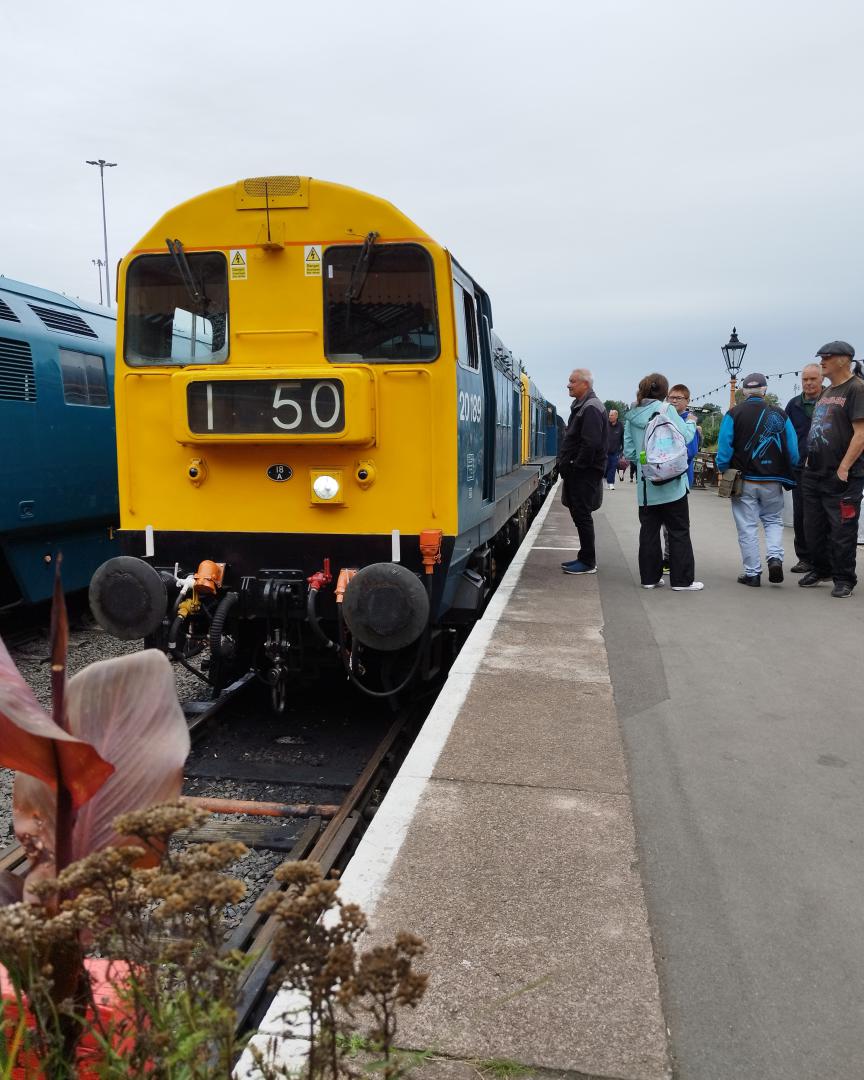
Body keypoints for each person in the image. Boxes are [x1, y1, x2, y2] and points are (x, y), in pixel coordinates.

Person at [715, 372, 799, 587]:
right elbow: (793, 450)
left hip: (744, 479)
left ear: (744, 391)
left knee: (747, 526)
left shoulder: (733, 414)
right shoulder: (780, 414)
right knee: (773, 520)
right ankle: (775, 557)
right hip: (773, 479)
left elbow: (724, 448)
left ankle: (752, 573)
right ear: (765, 391)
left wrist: (723, 468)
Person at [623, 373, 703, 591]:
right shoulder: (666, 409)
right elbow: (685, 436)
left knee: (648, 532)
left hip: (646, 486)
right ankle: (681, 581)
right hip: (672, 483)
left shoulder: (631, 414)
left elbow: (629, 451)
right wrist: (691, 422)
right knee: (679, 531)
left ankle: (649, 579)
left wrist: (645, 461)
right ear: (663, 392)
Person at [799, 341, 864, 598]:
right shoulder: (826, 393)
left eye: (827, 357)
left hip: (842, 474)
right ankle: (821, 568)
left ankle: (844, 578)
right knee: (812, 527)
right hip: (814, 471)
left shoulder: (856, 389)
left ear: (844, 360)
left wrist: (844, 468)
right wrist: (807, 463)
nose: (822, 360)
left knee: (842, 529)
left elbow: (860, 434)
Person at [557, 369, 609, 575]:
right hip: (582, 471)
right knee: (579, 514)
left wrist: (576, 467)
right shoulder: (585, 406)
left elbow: (591, 443)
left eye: (572, 381)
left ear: (585, 384)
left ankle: (588, 562)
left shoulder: (590, 408)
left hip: (584, 472)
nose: (568, 385)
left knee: (582, 514)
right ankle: (584, 557)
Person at [784, 363, 825, 573]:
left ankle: (824, 560)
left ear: (822, 379)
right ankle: (805, 558)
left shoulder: (830, 401)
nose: (808, 383)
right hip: (800, 468)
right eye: (805, 379)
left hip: (827, 468)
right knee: (801, 515)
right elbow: (784, 434)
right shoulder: (793, 405)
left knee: (823, 515)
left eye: (813, 379)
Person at [662, 384, 700, 571]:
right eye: (671, 397)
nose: (674, 400)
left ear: (687, 401)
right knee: (665, 523)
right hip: (664, 476)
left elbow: (691, 451)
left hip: (681, 478)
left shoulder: (688, 422)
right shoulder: (664, 418)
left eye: (679, 398)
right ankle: (668, 557)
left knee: (675, 524)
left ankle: (670, 559)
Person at [605, 408, 625, 490]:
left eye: (612, 415)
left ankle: (611, 483)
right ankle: (604, 479)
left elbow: (623, 438)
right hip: (604, 451)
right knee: (605, 467)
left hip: (615, 451)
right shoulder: (605, 424)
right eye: (609, 415)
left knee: (613, 467)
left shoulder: (620, 426)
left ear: (616, 416)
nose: (610, 416)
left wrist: (623, 449)